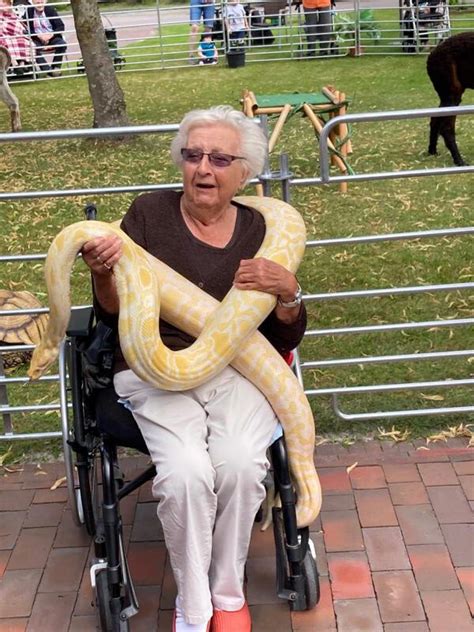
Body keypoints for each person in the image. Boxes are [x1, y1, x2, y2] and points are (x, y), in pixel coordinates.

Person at [80, 105, 307, 632]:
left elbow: (286, 334)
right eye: (192, 155)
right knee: (184, 472)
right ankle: (193, 605)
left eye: (220, 158)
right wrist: (103, 275)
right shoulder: (147, 216)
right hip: (155, 369)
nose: (203, 169)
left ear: (244, 172)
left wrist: (288, 292)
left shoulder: (261, 230)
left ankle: (227, 595)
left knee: (240, 465)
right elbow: (113, 312)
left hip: (237, 369)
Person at [25, 0, 66, 77]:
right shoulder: (29, 11)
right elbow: (25, 28)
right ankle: (48, 70)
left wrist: (50, 35)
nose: (40, 4)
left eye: (41, 2)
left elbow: (61, 26)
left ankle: (55, 67)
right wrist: (38, 36)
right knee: (32, 48)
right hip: (37, 38)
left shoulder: (50, 9)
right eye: (37, 3)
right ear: (33, 3)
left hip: (51, 37)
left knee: (62, 44)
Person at [0, 0, 32, 71]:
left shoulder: (12, 14)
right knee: (6, 43)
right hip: (3, 37)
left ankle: (22, 64)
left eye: (8, 4)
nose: (6, 5)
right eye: (4, 2)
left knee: (24, 41)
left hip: (14, 36)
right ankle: (14, 64)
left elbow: (18, 27)